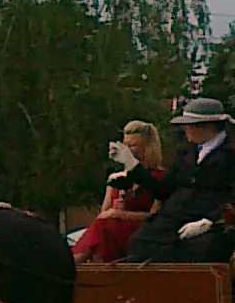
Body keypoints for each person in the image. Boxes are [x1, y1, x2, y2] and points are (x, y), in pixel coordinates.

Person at [121, 98, 235, 263]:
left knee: (201, 250)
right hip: (174, 218)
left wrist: (209, 221)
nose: (185, 130)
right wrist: (134, 168)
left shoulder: (230, 153)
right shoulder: (185, 152)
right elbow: (164, 189)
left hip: (211, 222)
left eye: (189, 125)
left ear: (206, 127)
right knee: (140, 243)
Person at [74, 120, 164, 262]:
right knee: (103, 227)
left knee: (103, 229)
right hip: (112, 229)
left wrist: (123, 214)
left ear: (147, 147)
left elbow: (156, 216)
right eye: (125, 145)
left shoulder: (159, 179)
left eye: (133, 146)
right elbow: (104, 213)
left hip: (141, 230)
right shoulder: (116, 178)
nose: (127, 150)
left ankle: (76, 262)